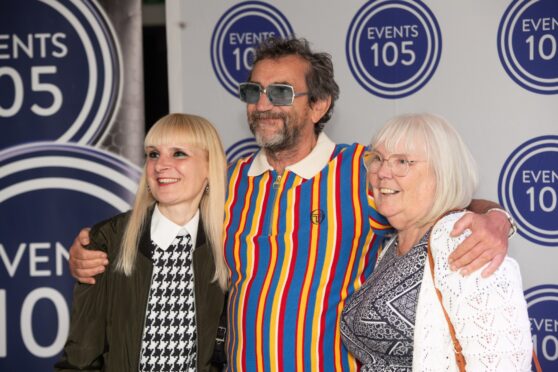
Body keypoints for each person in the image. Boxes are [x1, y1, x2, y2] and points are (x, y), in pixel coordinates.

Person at [68, 38, 514, 371]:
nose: (263, 105)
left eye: (282, 93)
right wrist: (89, 249)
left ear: (319, 105)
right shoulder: (230, 181)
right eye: (253, 91)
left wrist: (495, 218)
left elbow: (443, 195)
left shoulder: (362, 170)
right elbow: (160, 220)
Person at [340, 113, 532, 371]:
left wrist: (499, 216)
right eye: (378, 159)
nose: (382, 172)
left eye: (403, 161)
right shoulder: (393, 246)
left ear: (442, 173)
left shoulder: (462, 242)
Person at [55, 113, 228, 371]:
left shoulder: (232, 243)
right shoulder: (107, 240)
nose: (160, 165)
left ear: (209, 166)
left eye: (179, 153)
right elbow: (81, 356)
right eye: (153, 154)